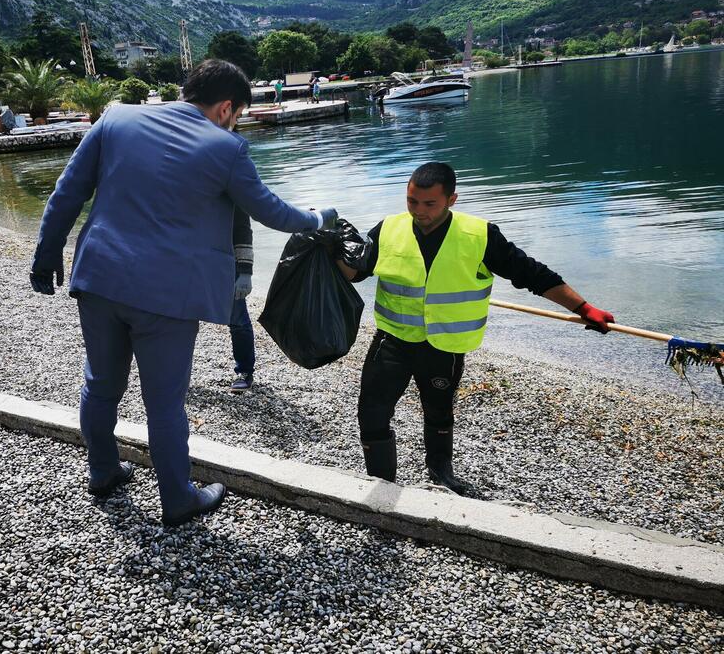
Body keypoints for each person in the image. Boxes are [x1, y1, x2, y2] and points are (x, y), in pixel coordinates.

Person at [30, 59, 338, 526]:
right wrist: (318, 218)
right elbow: (272, 212)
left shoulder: (116, 117)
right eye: (236, 115)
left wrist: (46, 253)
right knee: (165, 403)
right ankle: (177, 498)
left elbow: (67, 192)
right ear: (227, 107)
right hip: (167, 298)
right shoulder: (227, 148)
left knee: (100, 384)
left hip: (99, 278)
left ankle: (104, 472)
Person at [338, 162, 614, 498]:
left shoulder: (480, 235)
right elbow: (356, 273)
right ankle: (382, 482)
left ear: (451, 199)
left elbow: (532, 275)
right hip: (392, 340)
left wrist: (584, 309)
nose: (419, 211)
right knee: (371, 411)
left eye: (429, 204)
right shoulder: (388, 229)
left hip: (444, 345)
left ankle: (441, 473)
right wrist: (328, 247)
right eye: (412, 202)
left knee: (438, 412)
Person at [229, 209, 255, 392]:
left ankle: (244, 372)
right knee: (184, 319)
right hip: (192, 261)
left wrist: (245, 271)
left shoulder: (230, 184)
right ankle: (177, 372)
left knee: (237, 320)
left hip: (228, 262)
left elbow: (243, 228)